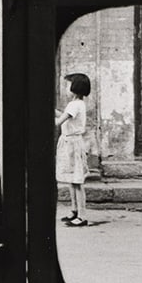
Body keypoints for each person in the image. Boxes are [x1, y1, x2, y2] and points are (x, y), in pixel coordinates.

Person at [55, 73, 92, 227]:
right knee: (73, 180)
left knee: (77, 181)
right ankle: (74, 211)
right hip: (71, 142)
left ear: (74, 87)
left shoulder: (74, 105)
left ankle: (81, 215)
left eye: (69, 84)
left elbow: (59, 122)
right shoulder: (78, 104)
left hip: (72, 144)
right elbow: (64, 116)